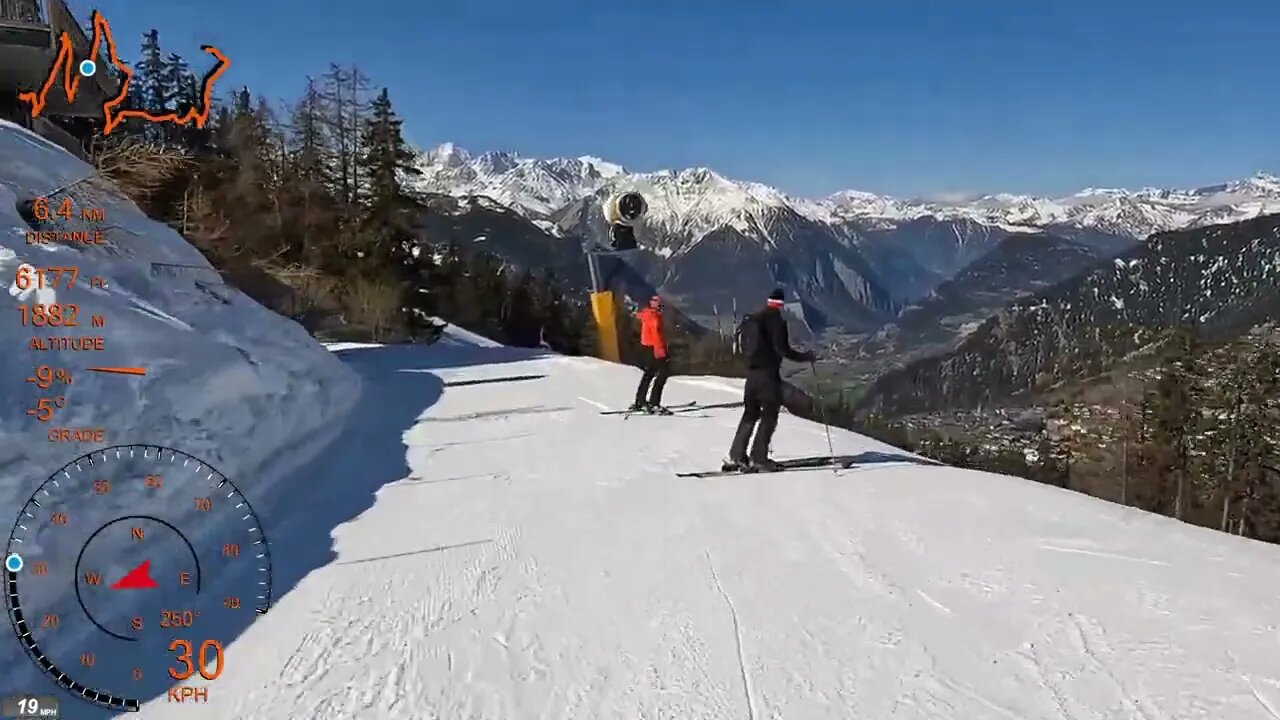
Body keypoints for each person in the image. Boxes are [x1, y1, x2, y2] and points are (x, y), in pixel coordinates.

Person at [725, 288, 816, 471]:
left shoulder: (753, 319)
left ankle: (736, 456)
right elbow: (783, 350)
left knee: (750, 414)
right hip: (768, 375)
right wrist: (806, 357)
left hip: (751, 374)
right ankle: (759, 458)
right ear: (781, 303)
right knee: (769, 415)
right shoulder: (777, 322)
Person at [631, 295, 672, 414]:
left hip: (646, 347)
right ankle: (654, 402)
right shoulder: (655, 318)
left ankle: (640, 401)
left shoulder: (647, 314)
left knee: (648, 375)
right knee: (662, 375)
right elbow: (657, 335)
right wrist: (662, 351)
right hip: (655, 349)